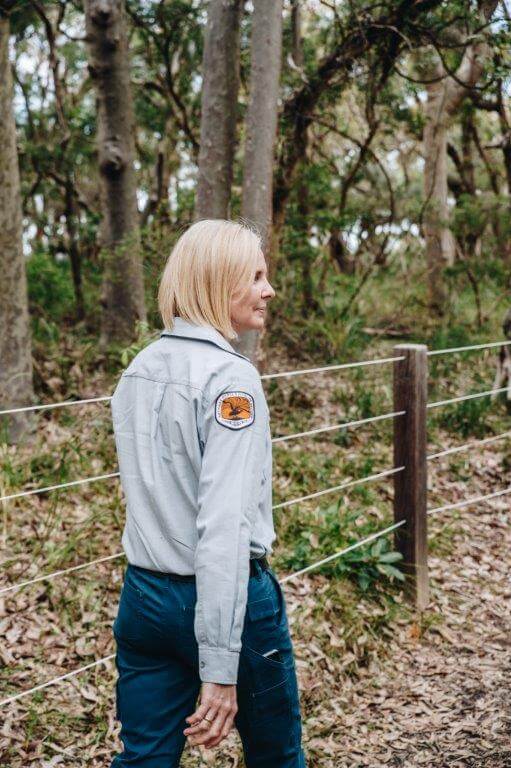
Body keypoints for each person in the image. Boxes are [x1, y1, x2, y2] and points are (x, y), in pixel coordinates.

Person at [109, 219, 307, 767]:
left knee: (143, 758)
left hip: (144, 595)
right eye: (256, 277)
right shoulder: (231, 380)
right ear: (220, 281)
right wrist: (220, 667)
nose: (269, 290)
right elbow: (222, 527)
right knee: (277, 757)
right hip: (226, 599)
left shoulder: (138, 369)